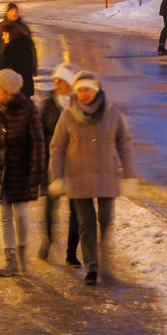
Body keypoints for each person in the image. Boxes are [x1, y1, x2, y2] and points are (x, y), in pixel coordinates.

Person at [48, 70, 136, 285]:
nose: (84, 94)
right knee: (86, 223)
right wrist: (56, 176)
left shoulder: (111, 113)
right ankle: (92, 267)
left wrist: (129, 175)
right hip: (79, 177)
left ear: (96, 90)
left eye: (87, 90)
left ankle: (104, 258)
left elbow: (124, 143)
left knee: (105, 218)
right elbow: (57, 147)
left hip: (106, 175)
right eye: (80, 90)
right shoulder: (68, 115)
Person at [0, 68, 46, 276]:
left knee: (20, 213)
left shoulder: (27, 109)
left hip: (21, 170)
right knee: (4, 214)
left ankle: (21, 252)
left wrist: (37, 170)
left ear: (8, 91)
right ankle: (10, 258)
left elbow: (37, 141)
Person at [38, 65, 82, 265]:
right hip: (53, 163)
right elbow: (40, 132)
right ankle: (48, 238)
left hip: (75, 166)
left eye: (60, 81)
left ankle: (71, 253)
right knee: (50, 207)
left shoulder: (79, 105)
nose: (56, 84)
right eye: (55, 80)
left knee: (76, 211)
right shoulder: (49, 104)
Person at [0, 2, 40, 95]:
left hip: (23, 68)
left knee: (22, 94)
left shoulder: (23, 27)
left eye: (16, 11)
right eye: (11, 11)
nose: (14, 13)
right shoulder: (2, 27)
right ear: (7, 12)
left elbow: (32, 49)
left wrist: (33, 67)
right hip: (8, 67)